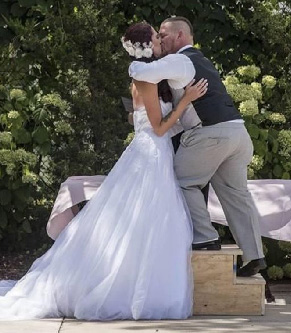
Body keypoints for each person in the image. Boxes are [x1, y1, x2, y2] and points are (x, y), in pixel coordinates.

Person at [0, 22, 208, 320]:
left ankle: (142, 287)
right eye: (156, 36)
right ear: (149, 45)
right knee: (141, 222)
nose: (161, 40)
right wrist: (187, 100)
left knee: (150, 223)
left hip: (155, 154)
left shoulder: (152, 77)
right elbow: (160, 129)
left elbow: (156, 123)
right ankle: (122, 289)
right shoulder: (145, 81)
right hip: (149, 156)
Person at [128, 16, 266, 277]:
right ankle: (254, 254)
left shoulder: (180, 60)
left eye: (164, 34)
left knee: (180, 181)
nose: (161, 39)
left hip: (211, 135)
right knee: (237, 195)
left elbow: (141, 72)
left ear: (180, 36)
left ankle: (204, 237)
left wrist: (136, 57)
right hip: (238, 133)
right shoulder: (202, 60)